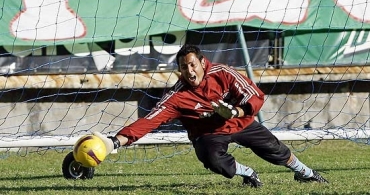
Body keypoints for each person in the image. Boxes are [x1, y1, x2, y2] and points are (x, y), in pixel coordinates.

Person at [94, 44, 328, 187]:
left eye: (193, 65)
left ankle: (306, 174)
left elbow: (254, 94)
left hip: (239, 121)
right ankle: (248, 173)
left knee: (276, 151)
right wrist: (115, 141)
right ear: (180, 70)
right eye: (184, 67)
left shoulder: (223, 73)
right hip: (208, 133)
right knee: (214, 160)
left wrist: (236, 111)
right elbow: (149, 121)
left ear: (203, 63)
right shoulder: (177, 96)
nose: (190, 71)